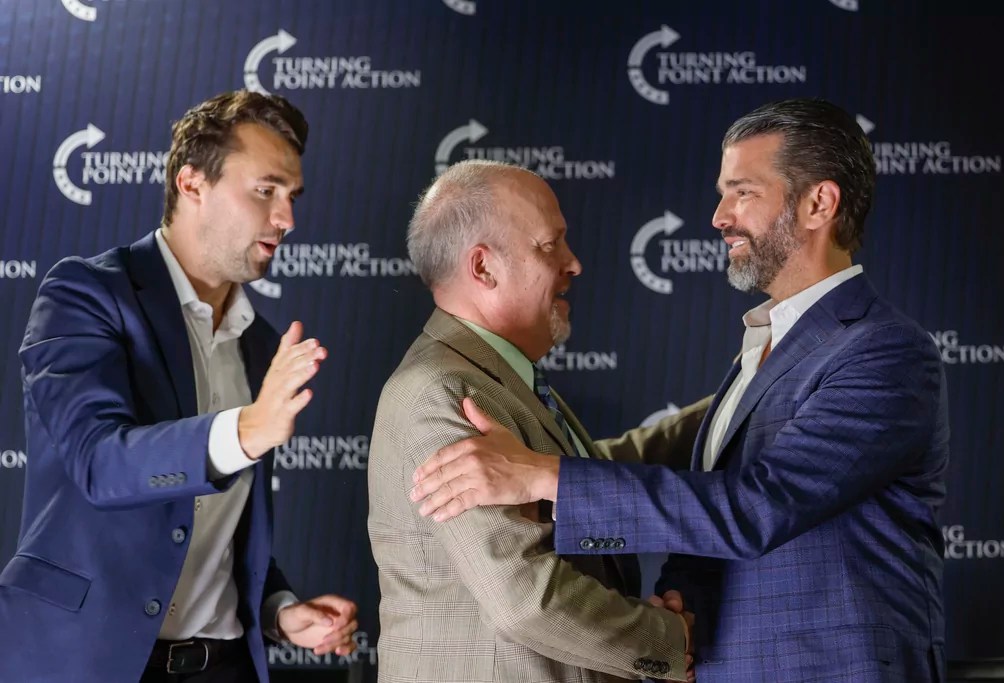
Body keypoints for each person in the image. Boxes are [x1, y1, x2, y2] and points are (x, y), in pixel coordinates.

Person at [410, 99, 950, 682]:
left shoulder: (883, 351)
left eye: (742, 192)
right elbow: (708, 530)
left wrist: (544, 475)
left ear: (818, 203)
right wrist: (674, 608)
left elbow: (757, 508)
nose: (719, 216)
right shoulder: (765, 347)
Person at [0, 90, 358, 683]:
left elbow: (209, 525)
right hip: (82, 662)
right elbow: (98, 462)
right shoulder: (84, 295)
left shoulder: (260, 342)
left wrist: (279, 611)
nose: (287, 219)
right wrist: (247, 429)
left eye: (292, 196)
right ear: (192, 184)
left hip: (223, 667)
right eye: (265, 191)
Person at [369, 160, 707, 682]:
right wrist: (668, 641)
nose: (574, 264)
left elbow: (583, 473)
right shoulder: (441, 392)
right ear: (483, 268)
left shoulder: (490, 375)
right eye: (551, 245)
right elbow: (525, 599)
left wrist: (739, 398)